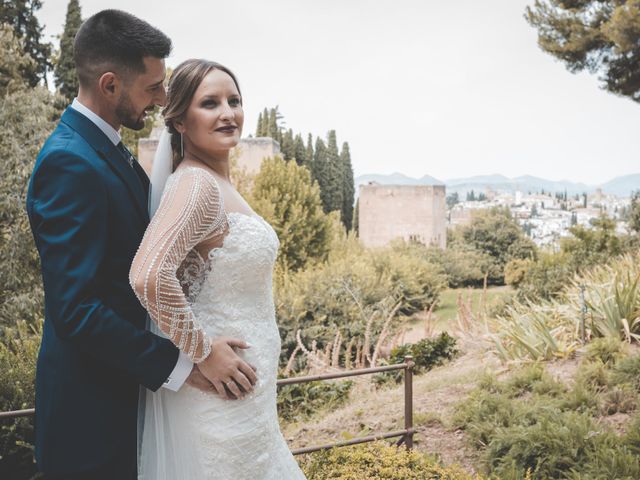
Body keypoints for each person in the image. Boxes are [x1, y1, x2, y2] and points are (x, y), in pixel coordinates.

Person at [26, 10, 251, 479]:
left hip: (132, 397)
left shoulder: (107, 150)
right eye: (153, 87)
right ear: (110, 85)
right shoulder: (69, 162)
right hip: (91, 416)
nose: (163, 98)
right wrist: (188, 364)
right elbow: (77, 310)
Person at [129, 58, 307, 479]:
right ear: (182, 122)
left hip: (251, 408)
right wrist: (203, 354)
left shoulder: (218, 182)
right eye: (210, 103)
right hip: (219, 407)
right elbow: (148, 274)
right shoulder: (196, 186)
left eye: (234, 100)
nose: (228, 113)